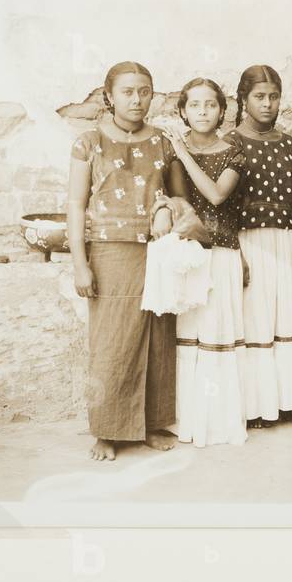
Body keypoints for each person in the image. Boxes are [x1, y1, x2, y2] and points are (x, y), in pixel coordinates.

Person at [67, 61, 188, 461]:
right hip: (109, 251)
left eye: (145, 91)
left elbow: (180, 198)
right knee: (111, 342)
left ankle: (151, 425)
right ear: (109, 96)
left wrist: (168, 209)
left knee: (157, 337)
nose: (137, 100)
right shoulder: (88, 142)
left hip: (157, 252)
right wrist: (80, 264)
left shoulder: (165, 143)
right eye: (128, 92)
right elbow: (75, 204)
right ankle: (107, 430)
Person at [162, 77, 248, 448]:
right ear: (182, 111)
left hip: (223, 254)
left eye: (210, 105)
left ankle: (218, 423)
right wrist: (178, 156)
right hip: (190, 255)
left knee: (216, 335)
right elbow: (181, 208)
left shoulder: (234, 153)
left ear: (222, 111)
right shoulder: (170, 158)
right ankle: (187, 421)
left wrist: (182, 152)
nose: (202, 112)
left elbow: (214, 197)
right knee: (189, 336)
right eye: (194, 105)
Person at [224, 65, 292, 427]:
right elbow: (225, 206)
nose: (268, 104)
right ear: (243, 99)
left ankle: (284, 401)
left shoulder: (289, 145)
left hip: (284, 239)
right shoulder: (232, 143)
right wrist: (237, 254)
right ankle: (257, 406)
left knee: (283, 314)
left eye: (273, 97)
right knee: (255, 318)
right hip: (250, 239)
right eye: (259, 97)